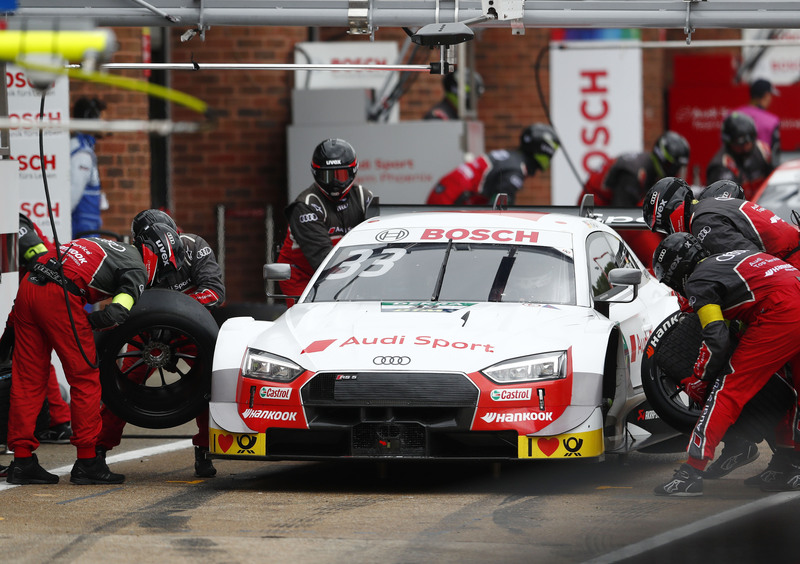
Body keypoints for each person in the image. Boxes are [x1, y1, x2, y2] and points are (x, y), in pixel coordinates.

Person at [644, 177, 800, 483]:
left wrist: (705, 374)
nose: (669, 234)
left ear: (670, 212)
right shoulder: (711, 209)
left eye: (663, 227)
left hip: (786, 288)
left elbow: (746, 265)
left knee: (740, 379)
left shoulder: (703, 221)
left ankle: (707, 463)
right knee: (789, 385)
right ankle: (786, 462)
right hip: (789, 277)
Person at [5, 222, 183, 485]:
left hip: (30, 284)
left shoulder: (109, 245)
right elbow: (116, 314)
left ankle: (21, 460)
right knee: (86, 378)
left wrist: (11, 327)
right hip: (59, 296)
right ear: (160, 256)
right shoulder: (137, 269)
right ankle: (88, 462)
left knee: (28, 380)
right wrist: (84, 325)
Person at [96, 209, 225, 478]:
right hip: (148, 335)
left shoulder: (195, 247)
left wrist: (177, 311)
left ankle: (204, 449)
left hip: (191, 332)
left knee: (209, 386)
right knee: (118, 388)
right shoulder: (133, 258)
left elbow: (215, 292)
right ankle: (97, 451)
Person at [277, 139, 373, 306]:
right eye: (328, 176)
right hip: (303, 277)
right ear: (316, 174)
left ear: (353, 171)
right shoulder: (305, 205)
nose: (335, 183)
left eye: (341, 175)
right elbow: (323, 259)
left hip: (348, 270)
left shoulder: (364, 197)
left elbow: (379, 244)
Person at [426, 123, 559, 206]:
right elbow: (499, 211)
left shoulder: (512, 158)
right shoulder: (516, 169)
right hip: (450, 200)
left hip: (446, 194)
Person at [579, 131, 690, 207]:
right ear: (662, 159)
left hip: (611, 203)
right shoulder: (633, 174)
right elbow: (621, 215)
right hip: (595, 205)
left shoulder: (648, 168)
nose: (676, 173)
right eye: (674, 167)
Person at [706, 111, 774, 200]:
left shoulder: (763, 151)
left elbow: (774, 186)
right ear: (729, 142)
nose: (746, 147)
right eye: (740, 144)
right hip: (738, 210)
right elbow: (722, 204)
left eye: (749, 142)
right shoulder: (722, 166)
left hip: (764, 206)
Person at [70, 96, 108, 238]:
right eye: (103, 119)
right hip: (81, 233)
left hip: (84, 231)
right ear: (92, 119)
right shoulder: (82, 154)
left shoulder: (83, 148)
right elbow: (71, 197)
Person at [734, 78, 781, 164]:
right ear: (766, 95)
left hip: (734, 170)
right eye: (771, 95)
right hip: (761, 172)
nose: (771, 99)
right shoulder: (772, 121)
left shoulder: (731, 116)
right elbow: (774, 152)